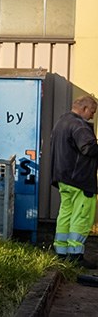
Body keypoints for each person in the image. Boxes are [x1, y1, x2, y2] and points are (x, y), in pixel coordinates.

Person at [51, 94, 98, 269]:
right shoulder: (80, 125)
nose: (92, 116)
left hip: (63, 178)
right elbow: (88, 147)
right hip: (80, 180)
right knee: (81, 217)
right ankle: (76, 255)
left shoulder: (61, 122)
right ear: (84, 109)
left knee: (65, 214)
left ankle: (61, 253)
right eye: (92, 112)